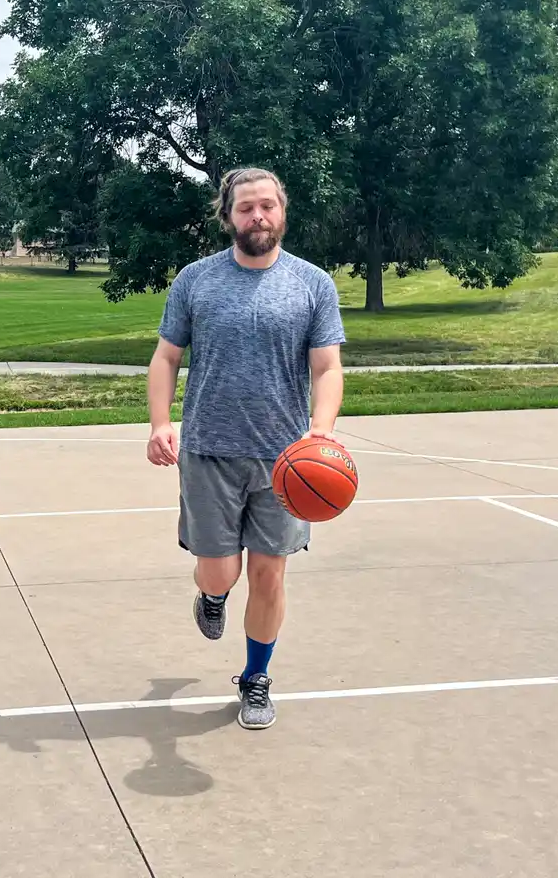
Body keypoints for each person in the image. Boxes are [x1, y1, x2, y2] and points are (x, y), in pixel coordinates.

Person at [145, 166, 346, 730]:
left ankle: (255, 678)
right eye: (245, 208)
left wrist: (321, 430)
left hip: (286, 462)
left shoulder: (312, 284)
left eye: (267, 206)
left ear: (282, 212)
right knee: (220, 572)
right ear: (228, 216)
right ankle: (210, 599)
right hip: (208, 450)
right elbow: (166, 358)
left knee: (269, 574)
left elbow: (327, 367)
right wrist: (160, 423)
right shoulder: (195, 280)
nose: (258, 216)